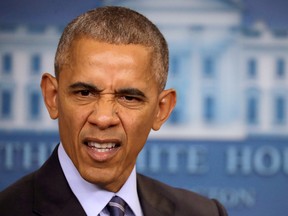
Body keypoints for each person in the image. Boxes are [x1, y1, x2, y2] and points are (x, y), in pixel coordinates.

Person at [0, 6, 227, 216]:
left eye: (128, 97)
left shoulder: (204, 213)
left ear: (161, 109)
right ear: (53, 97)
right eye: (84, 93)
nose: (103, 118)